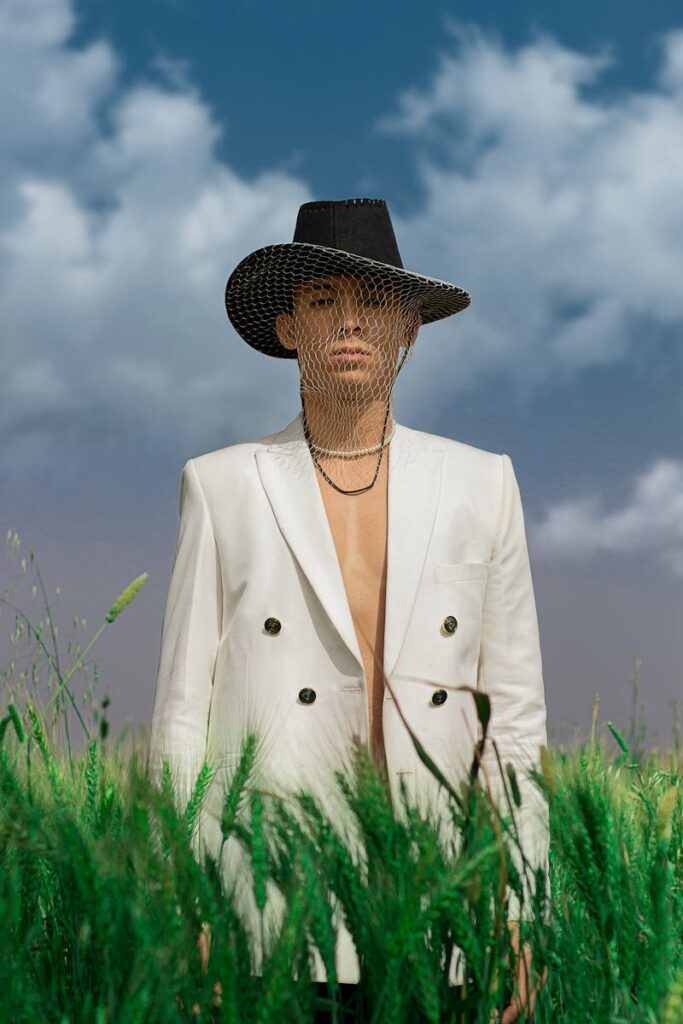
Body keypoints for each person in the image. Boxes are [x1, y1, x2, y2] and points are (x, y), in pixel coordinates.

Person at [148, 197, 550, 1021]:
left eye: (373, 300)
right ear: (289, 327)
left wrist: (521, 911)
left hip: (433, 902)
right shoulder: (222, 485)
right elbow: (182, 719)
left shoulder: (482, 483)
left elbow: (512, 722)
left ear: (410, 329)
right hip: (267, 906)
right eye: (323, 299)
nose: (349, 322)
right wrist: (186, 903)